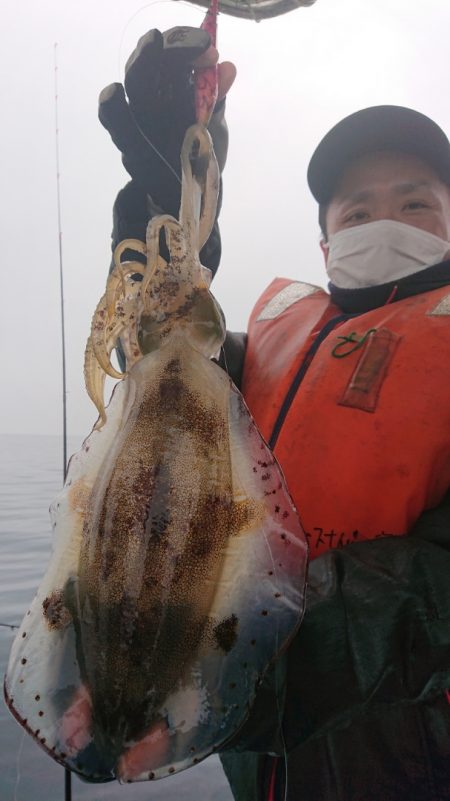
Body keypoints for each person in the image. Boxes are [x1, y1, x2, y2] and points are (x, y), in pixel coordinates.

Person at [99, 26, 450, 801]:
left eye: (416, 203)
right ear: (323, 246)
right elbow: (158, 359)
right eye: (355, 212)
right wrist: (168, 200)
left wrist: (240, 667)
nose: (382, 222)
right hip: (262, 769)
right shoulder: (266, 354)